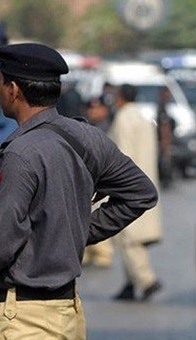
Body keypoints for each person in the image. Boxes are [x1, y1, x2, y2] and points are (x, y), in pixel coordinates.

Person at [0, 43, 158, 339]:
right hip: (68, 314)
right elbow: (141, 192)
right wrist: (75, 232)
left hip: (22, 320)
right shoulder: (88, 138)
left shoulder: (20, 152)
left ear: (13, 89)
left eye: (0, 81)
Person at [109, 84, 163, 301]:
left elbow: (122, 154)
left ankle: (146, 280)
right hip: (145, 183)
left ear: (120, 97)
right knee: (133, 237)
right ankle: (131, 283)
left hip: (127, 185)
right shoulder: (142, 117)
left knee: (128, 238)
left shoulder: (123, 119)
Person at [82, 95, 115, 269]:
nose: (92, 111)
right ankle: (87, 252)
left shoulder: (110, 127)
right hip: (89, 178)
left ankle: (103, 254)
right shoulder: (88, 127)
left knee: (99, 212)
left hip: (103, 178)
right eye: (90, 108)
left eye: (96, 108)